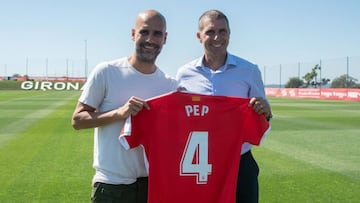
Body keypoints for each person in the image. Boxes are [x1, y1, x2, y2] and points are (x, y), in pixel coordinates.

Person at [71, 9, 177, 203]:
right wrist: (120, 113)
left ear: (165, 38)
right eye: (144, 32)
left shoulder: (170, 85)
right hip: (112, 186)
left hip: (153, 185)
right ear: (133, 34)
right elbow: (78, 120)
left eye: (157, 34)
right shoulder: (107, 72)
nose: (150, 39)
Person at [176, 9, 272, 203]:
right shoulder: (184, 74)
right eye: (210, 32)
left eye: (223, 31)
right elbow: (177, 118)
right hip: (199, 163)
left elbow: (262, 117)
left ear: (229, 34)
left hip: (240, 163)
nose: (217, 37)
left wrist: (265, 112)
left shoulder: (249, 70)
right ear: (199, 36)